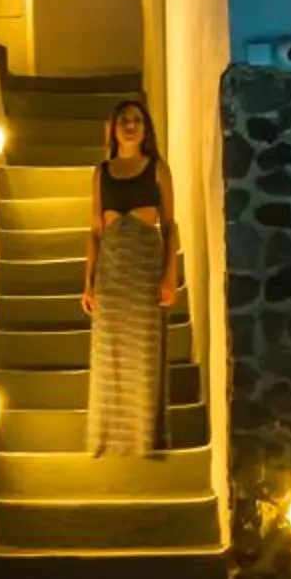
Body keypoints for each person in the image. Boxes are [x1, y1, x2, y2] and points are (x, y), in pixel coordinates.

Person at [81, 97, 179, 459]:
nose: (130, 125)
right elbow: (95, 231)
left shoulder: (157, 168)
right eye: (124, 119)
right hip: (111, 272)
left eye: (137, 119)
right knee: (111, 356)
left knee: (144, 356)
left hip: (145, 270)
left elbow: (170, 226)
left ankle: (143, 438)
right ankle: (109, 438)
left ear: (145, 128)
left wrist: (170, 276)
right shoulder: (101, 173)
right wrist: (88, 283)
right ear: (113, 128)